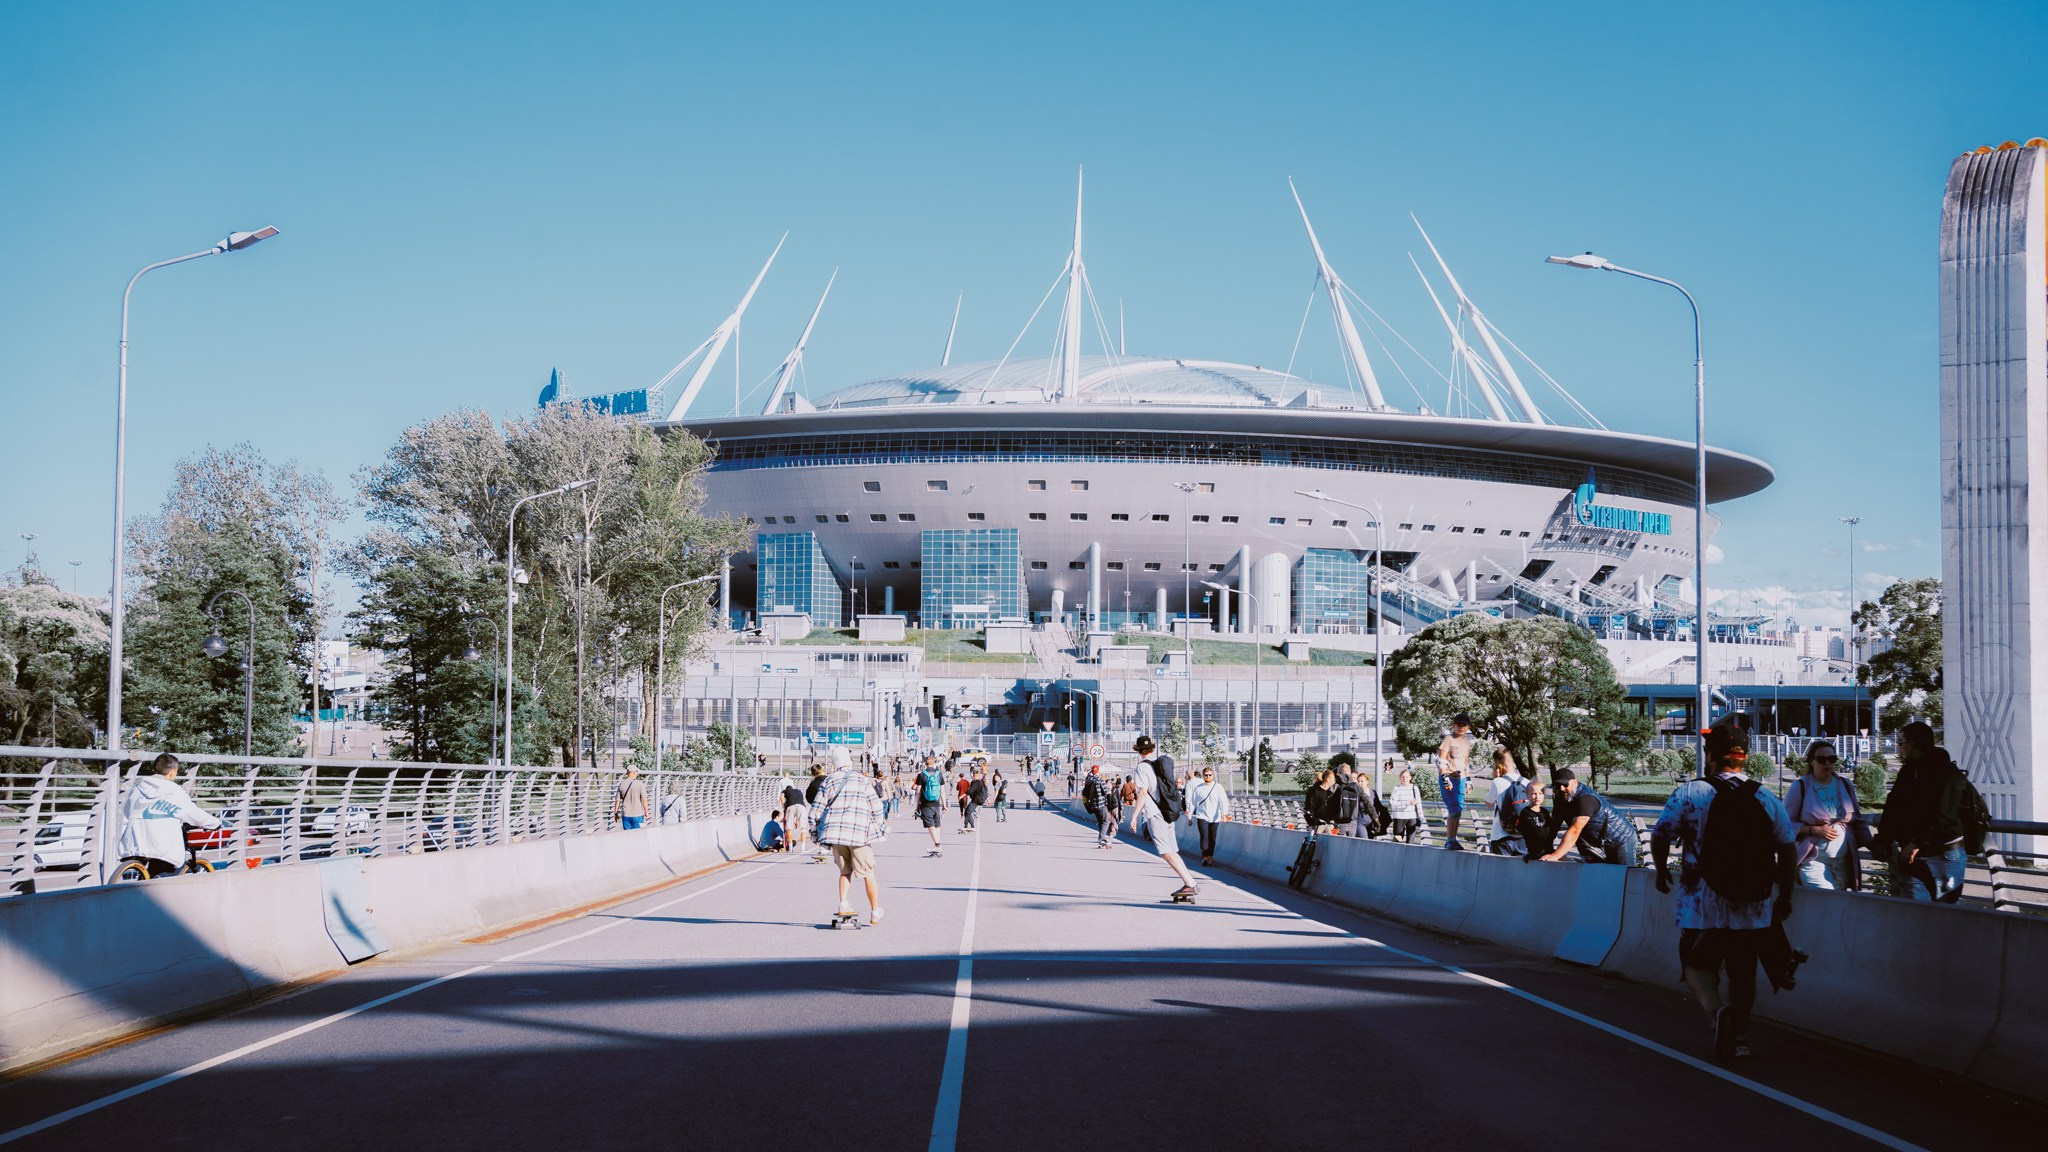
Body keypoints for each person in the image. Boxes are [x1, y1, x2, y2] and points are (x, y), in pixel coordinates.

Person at [1651, 723, 1798, 1063]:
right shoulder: (1765, 797)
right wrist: (1785, 895)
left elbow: (1661, 834)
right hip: (1753, 902)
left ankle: (1717, 1013)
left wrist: (1661, 871)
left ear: (1711, 755)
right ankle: (1741, 1036)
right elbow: (1788, 849)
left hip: (1702, 900)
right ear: (1744, 758)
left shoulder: (1690, 794)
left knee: (1695, 963)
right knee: (1743, 971)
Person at [1877, 721, 1977, 902]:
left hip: (1937, 854)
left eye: (1901, 743)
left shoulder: (1944, 773)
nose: (1900, 749)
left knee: (1925, 918)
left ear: (1911, 744)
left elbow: (1944, 817)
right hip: (1933, 853)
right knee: (1933, 918)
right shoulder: (1912, 771)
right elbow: (1894, 809)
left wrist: (1915, 843)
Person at [812, 747, 886, 926]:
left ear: (833, 763)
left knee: (845, 871)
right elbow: (877, 807)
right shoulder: (862, 780)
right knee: (868, 873)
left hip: (836, 834)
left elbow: (815, 811)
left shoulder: (828, 781)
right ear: (849, 761)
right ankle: (875, 912)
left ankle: (843, 904)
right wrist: (878, 827)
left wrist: (815, 834)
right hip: (859, 834)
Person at [117, 753, 223, 877]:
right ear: (172, 772)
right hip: (162, 846)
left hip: (135, 841)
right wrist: (215, 823)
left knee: (148, 868)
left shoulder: (138, 788)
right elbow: (193, 814)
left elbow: (128, 812)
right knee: (165, 871)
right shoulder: (175, 792)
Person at [1127, 735, 1199, 898]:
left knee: (1165, 852)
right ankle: (1188, 882)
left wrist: (1134, 816)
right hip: (1166, 811)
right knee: (1172, 850)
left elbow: (1143, 793)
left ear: (1138, 751)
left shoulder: (1142, 768)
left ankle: (1190, 883)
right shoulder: (1158, 765)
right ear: (1152, 749)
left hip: (1154, 813)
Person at [1786, 741, 1861, 890]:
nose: (1827, 763)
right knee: (1826, 899)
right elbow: (1786, 823)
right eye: (1821, 759)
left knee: (1839, 907)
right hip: (1814, 861)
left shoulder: (1845, 784)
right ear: (1812, 761)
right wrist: (1813, 830)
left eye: (1832, 759)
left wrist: (1873, 845)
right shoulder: (1800, 786)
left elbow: (1857, 819)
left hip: (1843, 862)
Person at [1538, 768, 1639, 865]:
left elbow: (1574, 830)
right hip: (1597, 843)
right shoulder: (1561, 798)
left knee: (1622, 876)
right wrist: (1541, 850)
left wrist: (1556, 855)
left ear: (1575, 782)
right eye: (1557, 785)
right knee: (1599, 876)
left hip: (1621, 840)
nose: (1561, 788)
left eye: (1565, 784)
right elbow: (1553, 827)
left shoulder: (1586, 799)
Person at [1437, 713, 1474, 849]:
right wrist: (1445, 777)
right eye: (1458, 724)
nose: (1461, 727)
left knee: (1458, 810)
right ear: (1454, 725)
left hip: (1461, 779)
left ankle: (1453, 839)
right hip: (1450, 778)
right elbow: (1441, 759)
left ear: (1468, 727)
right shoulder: (1449, 739)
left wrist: (1468, 780)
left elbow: (1465, 762)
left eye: (1464, 725)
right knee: (1453, 810)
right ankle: (1450, 840)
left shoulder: (1466, 742)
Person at [1486, 748, 1528, 855]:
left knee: (1501, 871)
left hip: (1500, 837)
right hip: (1523, 836)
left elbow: (1488, 803)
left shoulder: (1497, 782)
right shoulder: (1526, 782)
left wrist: (1496, 777)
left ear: (1498, 765)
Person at [1188, 765, 1230, 865]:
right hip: (1202, 816)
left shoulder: (1218, 787)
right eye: (1206, 775)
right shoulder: (1199, 788)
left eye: (1210, 775)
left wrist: (1224, 814)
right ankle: (1205, 857)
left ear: (1213, 775)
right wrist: (1189, 817)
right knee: (1204, 836)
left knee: (1212, 837)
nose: (1208, 777)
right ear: (1203, 776)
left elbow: (1223, 801)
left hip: (1215, 817)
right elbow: (1193, 803)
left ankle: (1210, 856)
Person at [913, 757, 947, 857]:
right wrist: (944, 805)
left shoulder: (922, 775)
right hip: (936, 804)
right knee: (937, 825)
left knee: (930, 825)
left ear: (925, 764)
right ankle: (937, 848)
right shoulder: (939, 774)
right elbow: (942, 791)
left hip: (926, 804)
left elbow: (918, 792)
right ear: (934, 763)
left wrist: (917, 806)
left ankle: (937, 845)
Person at [1514, 779, 1554, 860]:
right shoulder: (1525, 813)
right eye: (1533, 794)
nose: (1537, 796)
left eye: (1540, 793)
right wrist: (1549, 831)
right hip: (1535, 854)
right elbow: (1536, 834)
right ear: (1527, 795)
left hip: (1549, 851)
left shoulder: (1545, 812)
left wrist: (1549, 831)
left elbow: (1552, 833)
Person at [1082, 764, 1117, 848]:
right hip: (1101, 804)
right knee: (1106, 821)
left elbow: (1084, 792)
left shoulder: (1089, 780)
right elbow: (1106, 791)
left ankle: (1102, 838)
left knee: (1101, 822)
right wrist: (1109, 787)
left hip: (1093, 805)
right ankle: (1101, 838)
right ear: (1098, 771)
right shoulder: (1099, 780)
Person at [1386, 767, 1424, 843]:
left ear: (1410, 778)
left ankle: (1409, 854)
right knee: (1397, 840)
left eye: (1407, 777)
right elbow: (1393, 804)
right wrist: (1408, 803)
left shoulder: (1414, 788)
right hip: (1399, 817)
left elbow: (1418, 803)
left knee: (1410, 841)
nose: (1405, 779)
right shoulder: (1396, 788)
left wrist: (1421, 817)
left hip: (1412, 817)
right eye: (1403, 777)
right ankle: (1397, 854)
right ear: (1400, 778)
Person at [1303, 767, 1342, 833]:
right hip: (1316, 824)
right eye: (1333, 780)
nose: (1334, 782)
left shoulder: (1332, 792)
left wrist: (1333, 820)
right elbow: (1309, 806)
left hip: (1329, 824)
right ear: (1328, 779)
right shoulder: (1314, 791)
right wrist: (1312, 821)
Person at [613, 765, 649, 830]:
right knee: (638, 836)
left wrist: (616, 813)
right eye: (637, 772)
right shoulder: (640, 783)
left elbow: (617, 800)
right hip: (637, 814)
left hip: (626, 814)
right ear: (634, 772)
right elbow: (644, 799)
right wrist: (646, 811)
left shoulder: (622, 784)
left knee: (628, 836)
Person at [780, 777, 809, 854]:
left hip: (790, 807)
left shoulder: (785, 791)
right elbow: (798, 804)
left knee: (789, 828)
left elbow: (781, 797)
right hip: (802, 807)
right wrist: (796, 819)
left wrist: (784, 806)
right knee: (803, 828)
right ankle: (803, 848)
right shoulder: (798, 791)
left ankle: (790, 848)